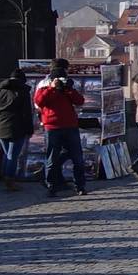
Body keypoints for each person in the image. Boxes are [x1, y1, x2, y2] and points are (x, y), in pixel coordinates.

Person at [35, 62, 87, 196]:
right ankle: (51, 186)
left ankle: (80, 185)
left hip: (70, 126)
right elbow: (39, 102)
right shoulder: (44, 89)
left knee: (77, 158)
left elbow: (80, 101)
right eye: (59, 79)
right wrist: (52, 89)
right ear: (52, 80)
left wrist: (69, 89)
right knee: (52, 158)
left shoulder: (67, 90)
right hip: (53, 127)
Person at [0, 70, 33, 191]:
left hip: (2, 124)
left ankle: (4, 177)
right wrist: (29, 129)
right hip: (17, 125)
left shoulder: (0, 91)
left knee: (7, 154)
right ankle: (10, 180)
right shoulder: (23, 91)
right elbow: (27, 113)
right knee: (13, 155)